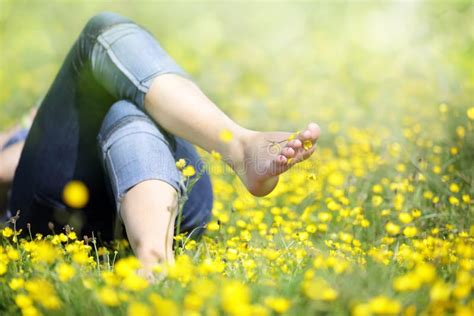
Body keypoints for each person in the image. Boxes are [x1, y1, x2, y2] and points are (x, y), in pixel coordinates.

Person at [1, 12, 320, 273]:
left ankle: (154, 260)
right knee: (98, 35)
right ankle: (237, 147)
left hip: (172, 203)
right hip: (58, 213)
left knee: (123, 104)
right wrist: (26, 140)